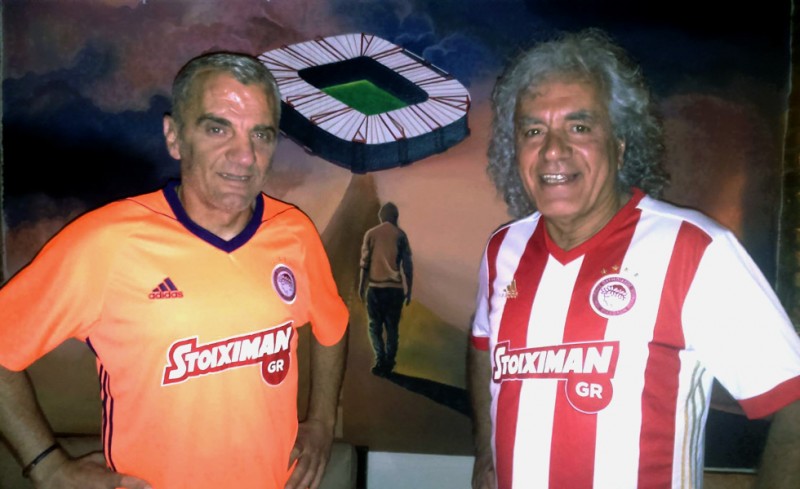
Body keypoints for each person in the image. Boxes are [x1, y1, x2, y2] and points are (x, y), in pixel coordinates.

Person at [0, 51, 349, 489]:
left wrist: (322, 422)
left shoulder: (294, 231)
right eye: (218, 128)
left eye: (260, 134)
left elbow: (333, 325)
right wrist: (47, 466)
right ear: (175, 136)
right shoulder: (107, 242)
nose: (245, 156)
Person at [468, 28, 800, 489]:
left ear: (620, 145)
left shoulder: (695, 249)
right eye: (533, 131)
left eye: (579, 127)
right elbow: (484, 347)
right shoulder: (502, 249)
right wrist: (486, 455)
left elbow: (792, 403)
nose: (553, 150)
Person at [359, 202, 413, 376]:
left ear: (381, 216)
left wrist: (361, 286)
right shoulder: (401, 235)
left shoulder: (371, 234)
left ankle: (380, 359)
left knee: (374, 327)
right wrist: (409, 289)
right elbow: (407, 265)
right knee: (392, 329)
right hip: (395, 290)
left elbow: (365, 264)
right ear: (395, 217)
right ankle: (389, 362)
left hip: (375, 288)